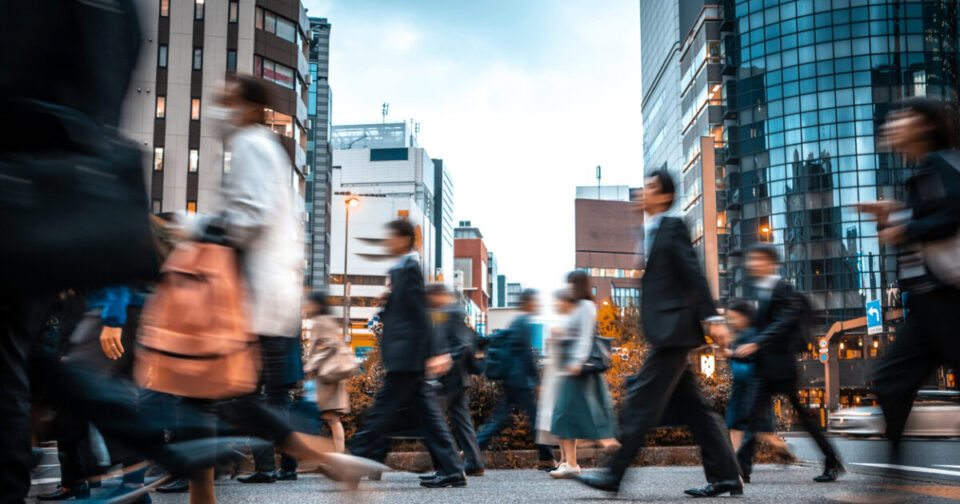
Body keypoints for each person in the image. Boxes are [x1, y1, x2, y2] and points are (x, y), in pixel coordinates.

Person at [575, 169, 742, 498]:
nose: (642, 192)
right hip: (669, 332)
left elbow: (693, 273)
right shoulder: (649, 231)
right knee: (697, 411)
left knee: (640, 404)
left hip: (675, 333)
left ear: (665, 196)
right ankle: (726, 477)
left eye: (650, 188)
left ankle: (613, 475)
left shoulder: (672, 227)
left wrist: (712, 316)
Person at [858, 98, 960, 464]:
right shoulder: (923, 172)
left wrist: (904, 225)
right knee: (889, 382)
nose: (893, 125)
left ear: (925, 125)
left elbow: (951, 216)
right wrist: (899, 213)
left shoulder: (941, 162)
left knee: (891, 382)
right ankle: (894, 479)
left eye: (902, 118)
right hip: (926, 306)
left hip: (949, 299)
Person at [349, 219, 467, 488]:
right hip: (408, 357)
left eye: (390, 237)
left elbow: (420, 314)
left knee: (380, 413)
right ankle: (452, 469)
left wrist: (435, 353)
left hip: (407, 358)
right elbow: (407, 311)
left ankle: (354, 464)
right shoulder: (402, 270)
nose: (387, 242)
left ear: (403, 239)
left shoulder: (410, 269)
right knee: (428, 418)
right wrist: (387, 303)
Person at [732, 244, 841, 482]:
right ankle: (742, 469)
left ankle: (832, 461)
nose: (753, 264)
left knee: (802, 417)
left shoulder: (782, 288)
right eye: (752, 260)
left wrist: (757, 343)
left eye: (758, 259)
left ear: (771, 263)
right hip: (766, 367)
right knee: (752, 418)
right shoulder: (763, 290)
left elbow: (783, 323)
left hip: (781, 366)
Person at [476, 289, 557, 471]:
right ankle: (547, 459)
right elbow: (527, 355)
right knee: (535, 419)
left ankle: (473, 448)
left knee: (500, 419)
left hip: (512, 379)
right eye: (536, 301)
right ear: (528, 302)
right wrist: (536, 381)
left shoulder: (518, 322)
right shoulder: (523, 323)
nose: (538, 304)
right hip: (520, 381)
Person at [548, 273, 616, 479]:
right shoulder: (579, 306)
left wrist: (577, 363)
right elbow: (575, 333)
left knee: (564, 415)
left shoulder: (585, 307)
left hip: (576, 369)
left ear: (576, 285)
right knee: (566, 415)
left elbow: (586, 338)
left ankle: (600, 448)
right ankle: (571, 462)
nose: (567, 287)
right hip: (570, 368)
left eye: (570, 283)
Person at [723, 299, 794, 482]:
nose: (731, 322)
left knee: (754, 428)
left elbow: (753, 357)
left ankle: (777, 447)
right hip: (740, 387)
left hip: (753, 387)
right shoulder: (737, 336)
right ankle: (736, 466)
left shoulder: (754, 334)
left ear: (745, 317)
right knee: (735, 426)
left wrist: (732, 354)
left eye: (734, 318)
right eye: (729, 318)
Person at [420, 283, 484, 478]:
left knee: (433, 421)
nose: (429, 302)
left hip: (450, 378)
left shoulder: (451, 311)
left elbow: (462, 344)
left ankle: (445, 467)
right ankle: (474, 463)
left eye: (430, 297)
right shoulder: (447, 311)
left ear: (438, 295)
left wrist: (445, 363)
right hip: (457, 378)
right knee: (462, 423)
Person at [303, 292, 350, 454]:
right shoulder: (325, 321)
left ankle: (340, 456)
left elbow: (330, 345)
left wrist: (311, 364)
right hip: (327, 376)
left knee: (332, 419)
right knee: (330, 419)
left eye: (309, 303)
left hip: (327, 377)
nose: (306, 306)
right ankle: (339, 455)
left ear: (317, 304)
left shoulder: (322, 322)